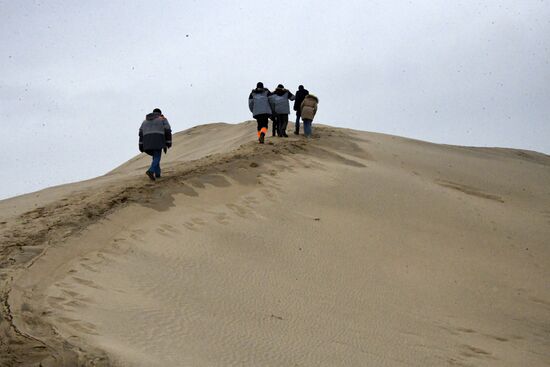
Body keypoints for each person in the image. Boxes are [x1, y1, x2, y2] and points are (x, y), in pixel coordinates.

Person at [139, 108, 172, 181]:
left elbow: (140, 133)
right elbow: (168, 130)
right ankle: (151, 170)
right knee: (157, 156)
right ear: (160, 113)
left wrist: (140, 144)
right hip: (158, 139)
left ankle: (157, 174)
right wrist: (169, 142)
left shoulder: (144, 121)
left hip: (147, 141)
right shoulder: (162, 119)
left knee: (155, 156)